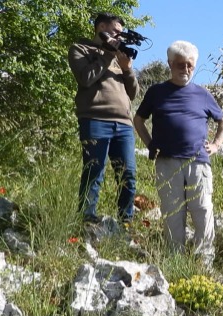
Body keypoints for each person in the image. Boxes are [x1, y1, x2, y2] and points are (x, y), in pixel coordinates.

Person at [133, 40, 223, 265]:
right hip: (166, 161)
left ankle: (203, 259)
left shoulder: (202, 94)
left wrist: (215, 145)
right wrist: (149, 144)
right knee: (172, 210)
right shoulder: (156, 92)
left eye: (190, 65)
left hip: (198, 161)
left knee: (202, 209)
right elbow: (138, 120)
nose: (185, 69)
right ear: (170, 64)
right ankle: (174, 259)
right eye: (180, 64)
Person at [68, 12, 139, 224]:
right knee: (94, 172)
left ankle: (126, 221)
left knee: (128, 175)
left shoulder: (120, 57)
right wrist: (107, 54)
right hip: (95, 119)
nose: (120, 37)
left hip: (124, 124)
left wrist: (127, 69)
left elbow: (133, 93)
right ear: (101, 27)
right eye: (116, 32)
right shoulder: (80, 49)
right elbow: (86, 78)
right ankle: (87, 219)